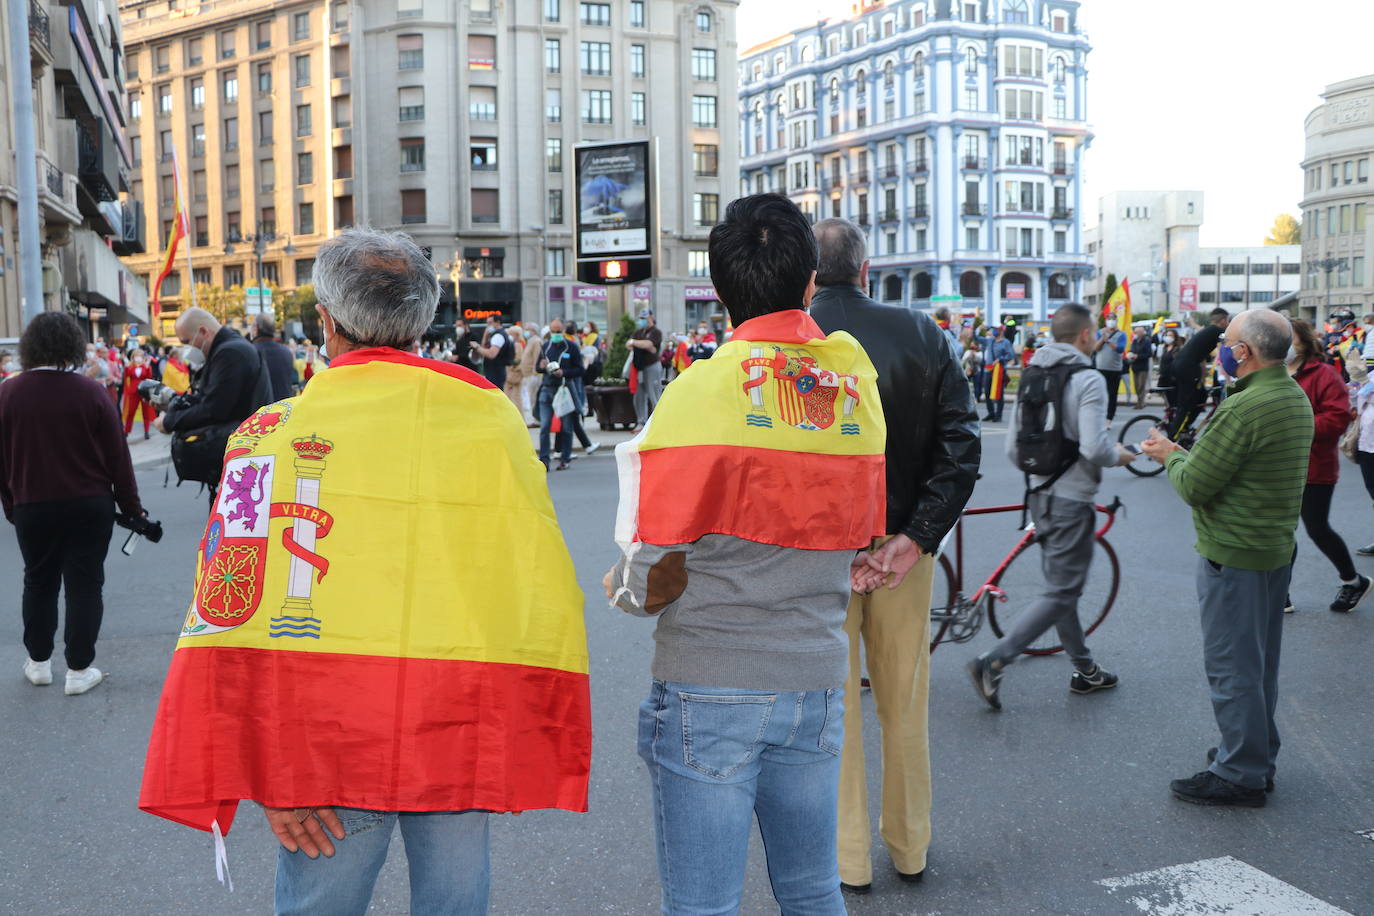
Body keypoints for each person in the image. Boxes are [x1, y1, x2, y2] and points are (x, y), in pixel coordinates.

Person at [139, 227, 591, 914]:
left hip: (322, 735)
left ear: (325, 319)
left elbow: (227, 611)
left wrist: (269, 768)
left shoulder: (267, 435)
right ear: (420, 318)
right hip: (456, 713)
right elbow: (531, 577)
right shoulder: (492, 421)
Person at [606, 194, 888, 914]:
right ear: (809, 284)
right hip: (817, 677)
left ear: (722, 292)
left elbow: (655, 563)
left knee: (704, 903)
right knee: (812, 887)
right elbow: (864, 530)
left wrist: (626, 590)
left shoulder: (701, 392)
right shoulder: (853, 389)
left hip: (711, 681)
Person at [810, 218, 980, 896]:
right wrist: (917, 534)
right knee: (904, 701)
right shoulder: (923, 333)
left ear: (808, 273)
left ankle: (847, 858)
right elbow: (960, 446)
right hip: (905, 548)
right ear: (866, 267)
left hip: (820, 554)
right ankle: (909, 846)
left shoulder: (794, 341)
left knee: (834, 708)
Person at [1140, 310, 1313, 807]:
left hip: (1233, 552)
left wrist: (1169, 453)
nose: (1221, 349)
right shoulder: (1290, 395)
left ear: (1247, 352)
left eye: (1228, 342)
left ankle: (1240, 772)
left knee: (1233, 666)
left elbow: (1195, 485)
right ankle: (1255, 755)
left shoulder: (1245, 407)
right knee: (1259, 665)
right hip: (1272, 547)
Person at [968, 304, 1135, 710]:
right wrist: (1122, 455)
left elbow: (1012, 448)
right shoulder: (1088, 378)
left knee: (1062, 589)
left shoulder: (1032, 373)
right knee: (1062, 592)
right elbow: (1096, 448)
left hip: (1038, 495)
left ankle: (1085, 669)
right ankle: (994, 660)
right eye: (1094, 332)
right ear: (1083, 336)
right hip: (1072, 498)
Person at [1, 312, 144, 696]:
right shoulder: (92, 392)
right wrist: (132, 508)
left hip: (34, 503)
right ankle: (79, 670)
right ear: (72, 346)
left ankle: (39, 663)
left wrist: (11, 502)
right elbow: (118, 459)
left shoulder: (8, 394)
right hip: (89, 503)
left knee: (38, 581)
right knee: (84, 585)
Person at [1287, 318, 1371, 611]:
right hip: (1277, 466)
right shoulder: (1270, 372)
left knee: (1316, 527)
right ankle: (1279, 591)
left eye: (1291, 338)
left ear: (1305, 342)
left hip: (1314, 466)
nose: (1286, 344)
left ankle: (1353, 581)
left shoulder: (1322, 374)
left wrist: (1296, 426)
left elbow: (1337, 416)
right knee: (1281, 529)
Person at [154, 307, 272, 493]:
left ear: (203, 331)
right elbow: (210, 397)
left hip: (245, 458)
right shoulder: (228, 348)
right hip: (245, 453)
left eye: (186, 342)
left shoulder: (230, 353)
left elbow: (214, 408)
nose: (185, 349)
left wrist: (169, 421)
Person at [1167, 308, 1229, 439]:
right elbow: (1230, 341)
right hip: (1187, 368)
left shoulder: (1208, 331)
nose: (1228, 324)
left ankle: (1185, 428)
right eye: (1227, 321)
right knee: (1185, 404)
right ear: (1223, 321)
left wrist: (1203, 376)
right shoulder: (1217, 331)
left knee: (1202, 395)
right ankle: (1173, 436)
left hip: (1180, 366)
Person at [536, 318, 583, 470]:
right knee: (544, 426)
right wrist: (541, 366)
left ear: (563, 331)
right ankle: (544, 459)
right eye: (553, 331)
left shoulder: (571, 347)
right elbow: (538, 367)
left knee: (566, 426)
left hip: (564, 388)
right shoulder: (546, 346)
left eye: (558, 331)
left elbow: (580, 369)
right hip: (547, 388)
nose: (555, 334)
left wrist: (564, 372)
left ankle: (565, 458)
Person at [250, 312, 298, 400]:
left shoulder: (251, 352)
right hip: (284, 409)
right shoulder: (286, 352)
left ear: (256, 329)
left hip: (262, 411)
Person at [628, 308, 663, 427]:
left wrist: (636, 343)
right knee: (639, 395)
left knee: (654, 393)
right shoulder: (638, 332)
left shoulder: (656, 332)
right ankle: (641, 421)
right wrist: (642, 345)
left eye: (645, 318)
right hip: (640, 368)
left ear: (651, 318)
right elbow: (629, 345)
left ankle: (658, 422)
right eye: (641, 318)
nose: (643, 320)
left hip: (652, 366)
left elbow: (649, 345)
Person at [1093, 316, 1128, 422]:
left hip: (1115, 369)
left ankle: (1109, 418)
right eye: (1109, 319)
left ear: (1116, 321)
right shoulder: (1100, 332)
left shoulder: (1121, 334)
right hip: (1100, 368)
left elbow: (1120, 349)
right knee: (1100, 393)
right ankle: (1100, 415)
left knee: (1112, 394)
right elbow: (1096, 348)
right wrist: (1102, 339)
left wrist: (1108, 340)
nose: (1111, 321)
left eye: (1113, 319)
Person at [980, 325, 1014, 422]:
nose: (994, 331)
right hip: (989, 370)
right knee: (987, 393)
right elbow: (977, 339)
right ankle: (991, 413)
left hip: (999, 370)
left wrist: (1000, 359)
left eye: (996, 329)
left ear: (1001, 331)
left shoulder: (1006, 342)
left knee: (999, 393)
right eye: (993, 329)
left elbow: (1010, 355)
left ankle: (998, 415)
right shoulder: (990, 340)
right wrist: (977, 329)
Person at [121, 348, 158, 438]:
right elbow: (127, 376)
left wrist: (147, 366)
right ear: (133, 357)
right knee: (131, 412)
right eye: (136, 356)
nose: (138, 358)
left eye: (140, 356)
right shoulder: (130, 366)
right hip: (133, 392)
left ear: (142, 357)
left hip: (144, 391)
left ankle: (146, 432)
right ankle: (126, 431)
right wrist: (126, 365)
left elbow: (149, 377)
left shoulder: (146, 366)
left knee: (146, 412)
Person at [473, 314, 514, 391]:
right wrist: (485, 336)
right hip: (494, 372)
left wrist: (476, 347)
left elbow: (491, 354)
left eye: (490, 323)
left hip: (496, 373)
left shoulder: (498, 336)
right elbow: (484, 348)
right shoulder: (494, 335)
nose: (488, 325)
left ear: (497, 322)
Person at [518, 324, 543, 425]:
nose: (525, 331)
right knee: (531, 397)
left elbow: (537, 356)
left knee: (534, 397)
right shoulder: (530, 341)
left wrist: (535, 371)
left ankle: (537, 420)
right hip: (527, 373)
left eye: (527, 329)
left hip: (533, 374)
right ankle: (535, 418)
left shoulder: (536, 341)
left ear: (533, 330)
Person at [1127, 325, 1153, 410]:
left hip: (1143, 367)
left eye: (1138, 332)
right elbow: (1132, 350)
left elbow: (1149, 354)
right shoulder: (1134, 341)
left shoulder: (1146, 341)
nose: (1136, 333)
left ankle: (1140, 403)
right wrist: (1130, 354)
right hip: (1135, 366)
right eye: (1135, 332)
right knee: (1136, 386)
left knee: (1141, 386)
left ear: (1142, 333)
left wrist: (1137, 356)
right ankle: (1140, 401)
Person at [1156, 328, 1183, 411]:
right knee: (1165, 395)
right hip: (1164, 376)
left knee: (1173, 398)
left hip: (1172, 377)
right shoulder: (1164, 348)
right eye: (1167, 335)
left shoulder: (1178, 349)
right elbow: (1161, 361)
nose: (1168, 337)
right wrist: (1160, 373)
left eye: (1170, 335)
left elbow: (1178, 362)